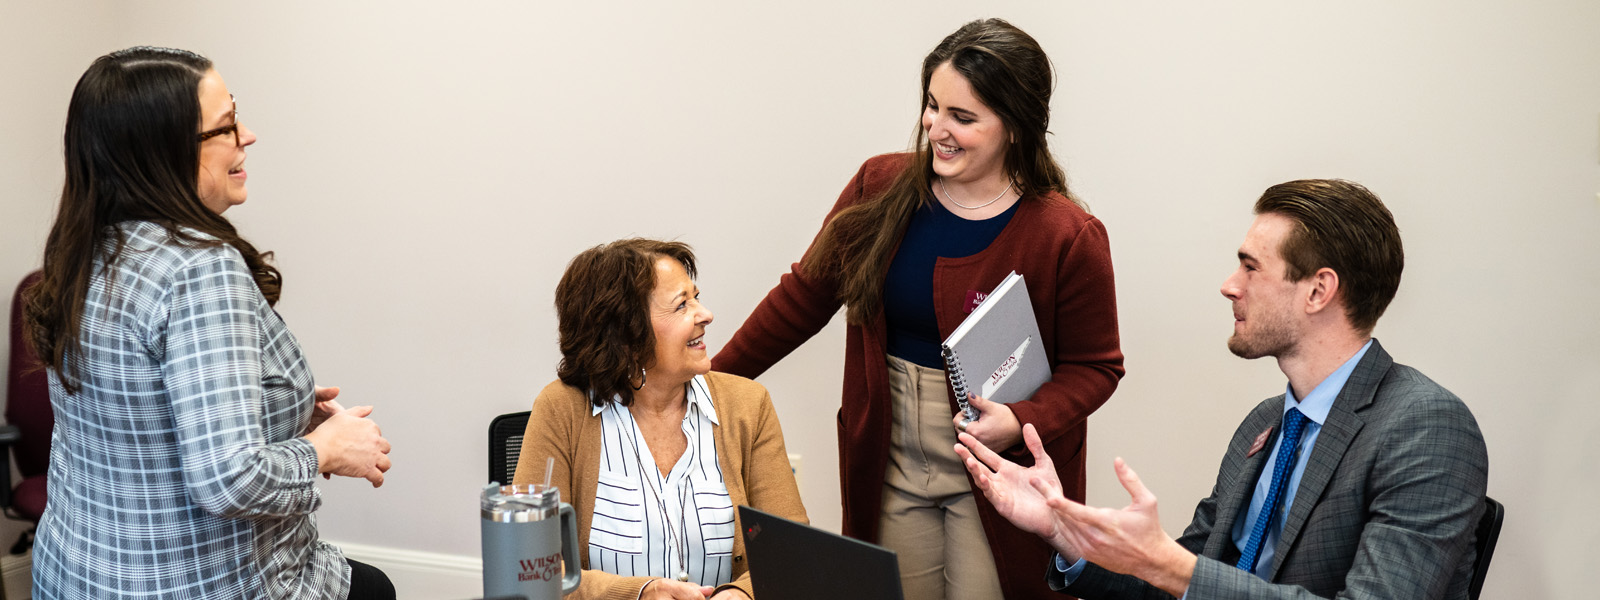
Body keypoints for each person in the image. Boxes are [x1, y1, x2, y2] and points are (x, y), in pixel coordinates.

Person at [711, 18, 1124, 599]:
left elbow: (1097, 368)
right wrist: (705, 386)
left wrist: (1023, 418)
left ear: (1014, 127)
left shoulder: (1066, 235)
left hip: (996, 471)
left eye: (963, 117)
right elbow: (803, 298)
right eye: (932, 106)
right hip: (891, 461)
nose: (936, 128)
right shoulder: (879, 186)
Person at [957, 179, 1491, 599]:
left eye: (1251, 267)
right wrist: (1064, 530)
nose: (1229, 285)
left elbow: (1185, 575)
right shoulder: (1265, 424)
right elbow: (1178, 581)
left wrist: (1175, 568)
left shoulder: (1426, 427)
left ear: (1319, 291)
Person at [22, 47, 395, 599]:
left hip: (75, 575)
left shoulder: (84, 253)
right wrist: (329, 449)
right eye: (225, 127)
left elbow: (138, 416)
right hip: (196, 581)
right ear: (164, 152)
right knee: (375, 590)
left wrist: (270, 402)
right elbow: (230, 481)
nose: (248, 135)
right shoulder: (198, 266)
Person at [514, 239, 808, 600]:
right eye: (682, 305)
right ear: (626, 334)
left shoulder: (748, 405)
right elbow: (530, 564)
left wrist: (742, 594)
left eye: (696, 297)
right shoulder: (562, 409)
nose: (705, 314)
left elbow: (790, 550)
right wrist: (637, 594)